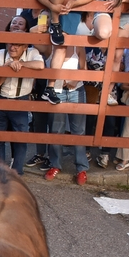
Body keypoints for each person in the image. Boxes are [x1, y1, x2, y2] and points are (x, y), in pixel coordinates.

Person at [32, 0, 99, 105]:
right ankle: (54, 23)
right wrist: (52, 6)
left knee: (62, 45)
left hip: (72, 1)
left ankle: (50, 88)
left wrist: (75, 3)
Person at [0, 39, 44, 175]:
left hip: (21, 99)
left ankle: (17, 172)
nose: (12, 47)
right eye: (10, 44)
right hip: (0, 98)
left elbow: (40, 65)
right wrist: (7, 67)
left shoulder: (32, 52)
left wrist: (20, 64)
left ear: (25, 47)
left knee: (20, 137)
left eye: (17, 45)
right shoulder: (0, 54)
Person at [44, 37, 89, 184]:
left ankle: (81, 168)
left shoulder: (78, 46)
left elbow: (84, 69)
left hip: (76, 89)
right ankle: (55, 165)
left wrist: (75, 80)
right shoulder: (50, 46)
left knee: (79, 131)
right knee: (56, 129)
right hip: (56, 91)